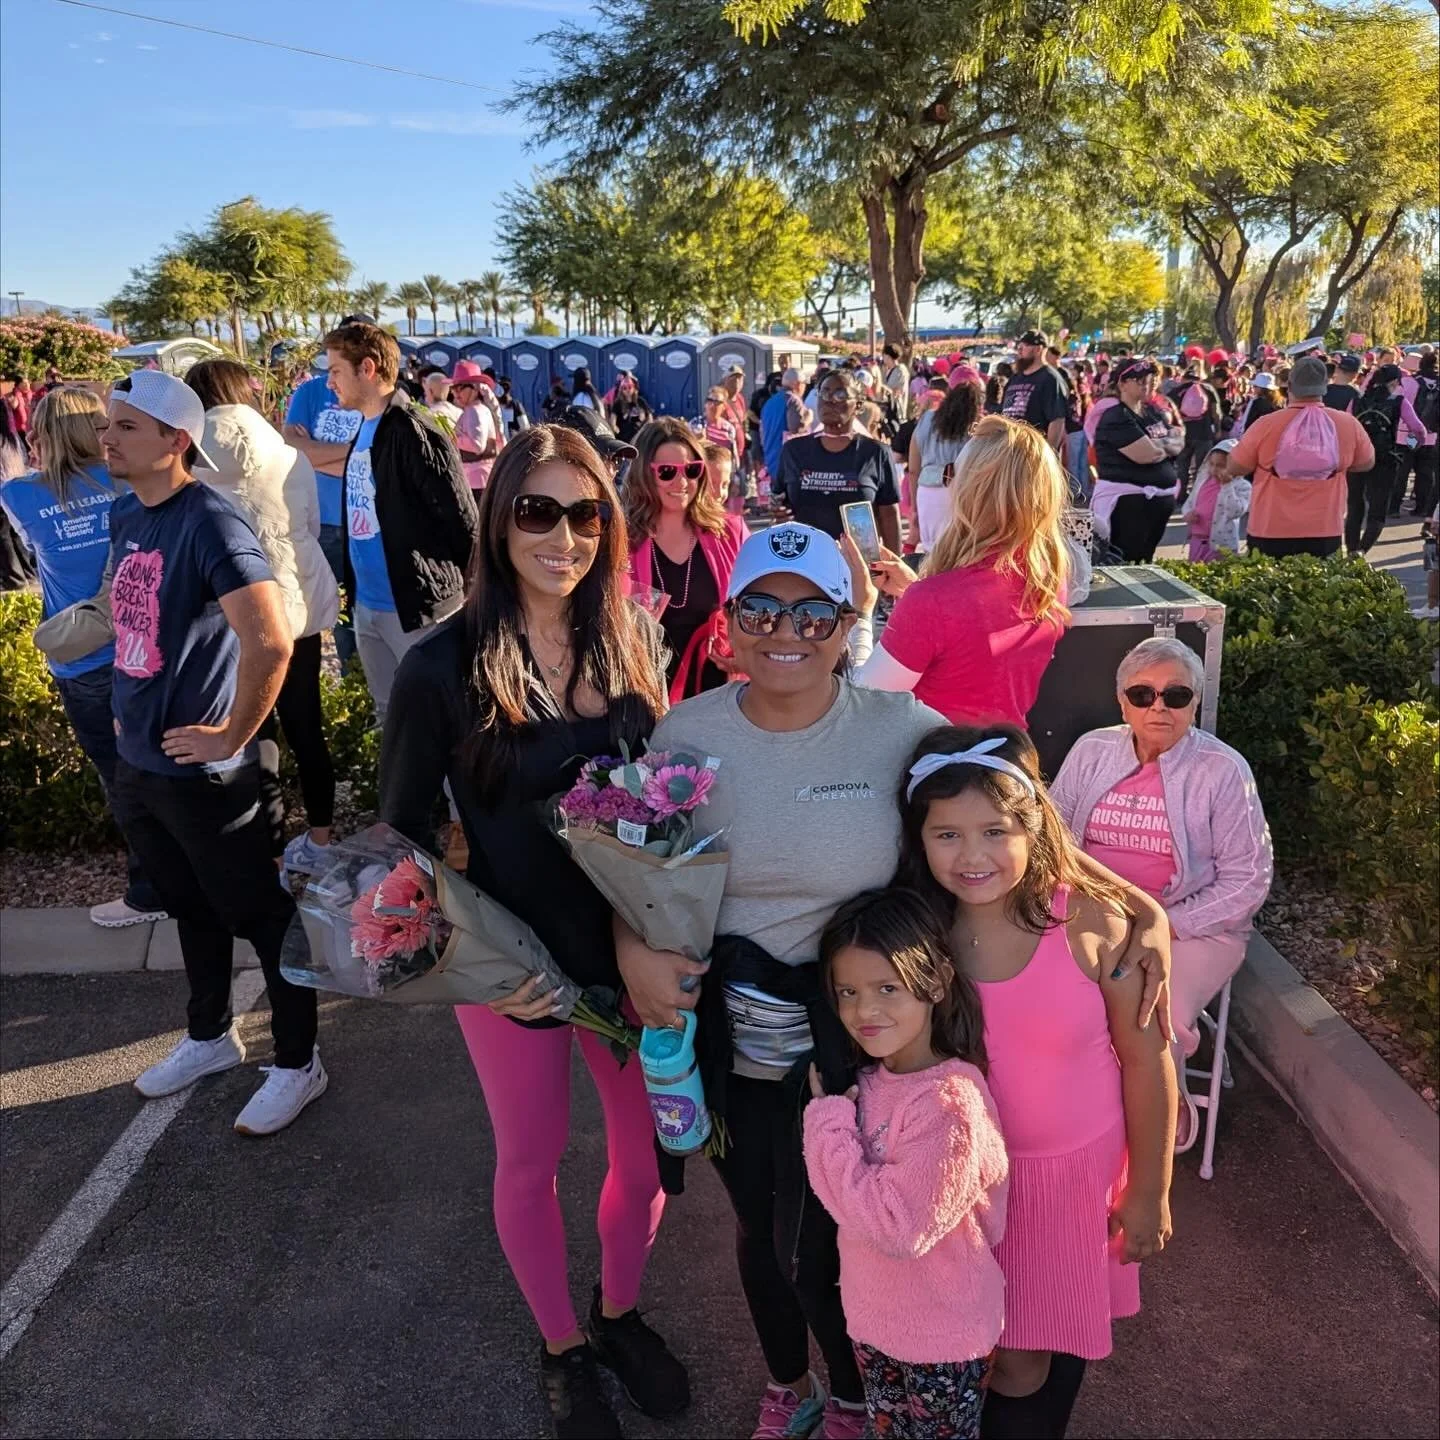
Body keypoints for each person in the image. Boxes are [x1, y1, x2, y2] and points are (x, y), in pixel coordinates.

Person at [617, 523, 1172, 1439]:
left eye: (812, 610)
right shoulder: (685, 734)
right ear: (730, 623)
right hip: (741, 1040)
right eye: (761, 606)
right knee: (765, 1233)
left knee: (856, 1238)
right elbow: (637, 866)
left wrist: (1139, 910)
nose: (784, 628)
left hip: (871, 1035)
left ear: (847, 625)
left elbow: (1005, 816)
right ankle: (790, 1383)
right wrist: (630, 946)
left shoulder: (903, 731)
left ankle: (852, 1394)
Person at [379, 424, 684, 1440]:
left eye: (586, 512)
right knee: (532, 1160)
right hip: (514, 969)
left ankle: (618, 1313)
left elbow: (663, 795)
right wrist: (472, 963)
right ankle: (561, 1347)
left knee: (646, 1165)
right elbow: (404, 836)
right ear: (499, 518)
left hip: (632, 960)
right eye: (537, 511)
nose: (564, 536)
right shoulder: (441, 666)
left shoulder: (630, 637)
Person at [897, 725, 1177, 1439]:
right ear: (918, 840)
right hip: (961, 1186)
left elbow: (1148, 1060)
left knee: (1027, 1357)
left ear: (1034, 826)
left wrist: (1149, 1190)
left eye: (995, 830)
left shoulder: (1090, 922)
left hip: (1062, 1184)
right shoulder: (916, 934)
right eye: (947, 835)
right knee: (971, 1349)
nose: (974, 855)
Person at [100, 370, 324, 1135]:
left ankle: (299, 1061)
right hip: (141, 761)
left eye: (127, 426)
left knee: (262, 916)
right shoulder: (126, 516)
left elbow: (270, 639)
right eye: (109, 424)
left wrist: (232, 734)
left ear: (176, 441)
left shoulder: (211, 520)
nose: (108, 437)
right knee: (187, 905)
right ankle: (208, 1038)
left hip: (211, 771)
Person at [1052, 637, 1273, 1152]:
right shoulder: (1092, 750)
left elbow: (1248, 880)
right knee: (1056, 998)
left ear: (1194, 703)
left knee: (1154, 1013)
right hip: (1094, 913)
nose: (1159, 707)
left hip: (1193, 928)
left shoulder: (1222, 770)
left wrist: (1163, 923)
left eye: (1176, 695)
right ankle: (1081, 1114)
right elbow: (1055, 836)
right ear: (1121, 701)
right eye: (1143, 694)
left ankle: (1158, 1125)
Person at [803, 889, 1008, 1440]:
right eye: (848, 992)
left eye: (887, 989)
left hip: (944, 1338)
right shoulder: (868, 1082)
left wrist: (825, 1125)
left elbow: (902, 1227)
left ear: (935, 984)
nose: (865, 1011)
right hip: (877, 1323)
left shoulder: (950, 1104)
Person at [0, 387, 168, 927]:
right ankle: (192, 873)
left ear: (43, 436)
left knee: (119, 777)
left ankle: (149, 891)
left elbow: (28, 553)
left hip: (85, 657)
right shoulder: (130, 485)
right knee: (172, 763)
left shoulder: (22, 495)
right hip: (152, 646)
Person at [186, 359, 341, 881]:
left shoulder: (188, 456)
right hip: (295, 606)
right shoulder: (290, 453)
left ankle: (268, 852)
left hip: (233, 615)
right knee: (307, 727)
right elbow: (311, 527)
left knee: (252, 732)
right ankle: (321, 839)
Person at [857, 415, 1069, 730]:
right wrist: (914, 588)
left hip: (936, 767)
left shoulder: (932, 602)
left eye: (954, 473)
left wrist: (860, 612)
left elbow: (862, 703)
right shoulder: (1047, 580)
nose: (950, 482)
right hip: (1008, 759)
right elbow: (976, 640)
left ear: (972, 492)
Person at [322, 321, 478, 724]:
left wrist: (473, 592)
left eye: (336, 371)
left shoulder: (415, 431)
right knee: (391, 720)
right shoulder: (365, 428)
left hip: (419, 610)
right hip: (369, 607)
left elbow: (461, 519)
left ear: (368, 368)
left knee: (439, 722)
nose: (329, 383)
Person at [625, 416, 747, 700]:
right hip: (646, 692)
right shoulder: (622, 540)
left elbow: (756, 608)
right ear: (644, 474)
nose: (682, 482)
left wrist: (745, 654)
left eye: (691, 470)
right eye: (667, 472)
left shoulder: (729, 532)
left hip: (717, 692)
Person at [1225, 355, 1374, 559]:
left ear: (1290, 385)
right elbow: (1366, 462)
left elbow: (1235, 467)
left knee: (1268, 589)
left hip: (1269, 528)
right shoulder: (1347, 424)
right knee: (1320, 589)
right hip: (1325, 529)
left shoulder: (1266, 424)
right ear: (1325, 386)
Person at [283, 348, 362, 669]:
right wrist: (358, 452)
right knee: (333, 614)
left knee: (367, 615)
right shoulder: (310, 391)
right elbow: (294, 449)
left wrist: (318, 453)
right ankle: (350, 681)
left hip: (368, 521)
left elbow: (383, 459)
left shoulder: (376, 395)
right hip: (324, 521)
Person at [778, 370, 903, 550]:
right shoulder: (794, 450)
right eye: (824, 393)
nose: (830, 400)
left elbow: (889, 515)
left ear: (858, 405)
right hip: (804, 562)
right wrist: (779, 512)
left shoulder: (875, 452)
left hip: (857, 566)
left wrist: (894, 567)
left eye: (840, 394)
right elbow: (781, 504)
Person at [1091, 359, 1183, 562]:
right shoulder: (1116, 416)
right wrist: (1164, 445)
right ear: (1122, 384)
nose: (1147, 384)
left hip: (1157, 501)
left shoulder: (1152, 412)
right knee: (1125, 560)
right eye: (1139, 379)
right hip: (1129, 505)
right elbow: (1146, 455)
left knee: (1144, 560)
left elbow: (1179, 440)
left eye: (1150, 379)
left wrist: (1159, 446)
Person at [907, 371, 983, 554]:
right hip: (960, 491)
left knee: (930, 551)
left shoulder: (927, 419)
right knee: (957, 553)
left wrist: (914, 508)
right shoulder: (979, 426)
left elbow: (913, 469)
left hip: (927, 491)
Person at [1351, 363, 1427, 547]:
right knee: (1377, 511)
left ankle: (1352, 548)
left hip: (1358, 457)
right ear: (1394, 382)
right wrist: (1411, 446)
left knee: (1355, 509)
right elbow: (1419, 431)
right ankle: (1361, 550)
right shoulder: (1398, 402)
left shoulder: (1357, 400)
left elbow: (1347, 426)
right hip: (1386, 458)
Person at [999, 331, 1067, 456]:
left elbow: (1057, 420)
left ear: (1038, 349)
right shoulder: (1015, 379)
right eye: (1018, 347)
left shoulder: (1050, 379)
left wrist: (1048, 455)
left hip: (1033, 454)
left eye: (1023, 347)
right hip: (1009, 453)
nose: (1019, 351)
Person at [1180, 439, 1250, 560]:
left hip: (1222, 544)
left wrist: (1227, 486)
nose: (1214, 469)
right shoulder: (1203, 481)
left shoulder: (1242, 487)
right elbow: (1190, 502)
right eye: (1212, 464)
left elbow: (1235, 511)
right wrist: (1187, 514)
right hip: (1197, 539)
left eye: (1221, 466)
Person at [1171, 364, 1221, 503]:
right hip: (1204, 433)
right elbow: (1216, 413)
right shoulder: (1208, 389)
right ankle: (1199, 496)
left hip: (1184, 435)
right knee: (1202, 468)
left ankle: (1181, 496)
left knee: (1182, 466)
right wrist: (1217, 430)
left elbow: (1170, 414)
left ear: (1184, 378)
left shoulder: (1176, 391)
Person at [449, 360, 500, 493]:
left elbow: (476, 445)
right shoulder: (475, 409)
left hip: (476, 480)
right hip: (479, 477)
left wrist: (452, 437)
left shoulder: (474, 410)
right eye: (453, 388)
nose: (456, 393)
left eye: (460, 388)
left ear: (475, 389)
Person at [761, 366, 807, 482]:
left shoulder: (770, 402)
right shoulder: (793, 400)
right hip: (787, 463)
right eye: (804, 384)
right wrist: (808, 417)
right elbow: (795, 428)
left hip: (771, 460)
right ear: (798, 384)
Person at [607, 371, 652, 445]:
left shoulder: (640, 401)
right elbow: (612, 421)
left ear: (634, 388)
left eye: (630, 387)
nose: (628, 390)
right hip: (623, 440)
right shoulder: (618, 403)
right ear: (621, 390)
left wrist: (643, 431)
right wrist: (616, 430)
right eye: (625, 388)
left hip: (639, 438)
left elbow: (650, 418)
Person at [1230, 372, 1278, 438]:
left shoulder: (1257, 402)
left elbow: (1249, 422)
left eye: (1255, 386)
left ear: (1261, 389)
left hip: (1254, 437)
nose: (1253, 388)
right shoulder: (1277, 402)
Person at [701, 386, 740, 462]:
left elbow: (734, 457)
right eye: (709, 400)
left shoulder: (728, 428)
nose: (712, 405)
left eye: (717, 402)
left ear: (724, 406)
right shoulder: (696, 425)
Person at [880, 344, 911, 425]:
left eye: (884, 355)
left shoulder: (900, 370)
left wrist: (881, 386)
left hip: (896, 411)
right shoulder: (886, 370)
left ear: (888, 356)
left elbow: (897, 391)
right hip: (887, 409)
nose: (882, 358)